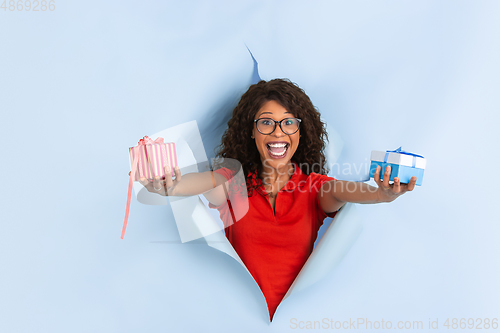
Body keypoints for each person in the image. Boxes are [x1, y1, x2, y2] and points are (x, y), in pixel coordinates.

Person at [137, 79, 417, 320]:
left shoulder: (315, 188)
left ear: (300, 130)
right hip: (234, 319)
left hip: (297, 321)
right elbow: (197, 184)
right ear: (251, 130)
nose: (278, 132)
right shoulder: (232, 182)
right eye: (266, 123)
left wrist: (384, 194)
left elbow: (359, 192)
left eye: (288, 123)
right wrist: (168, 185)